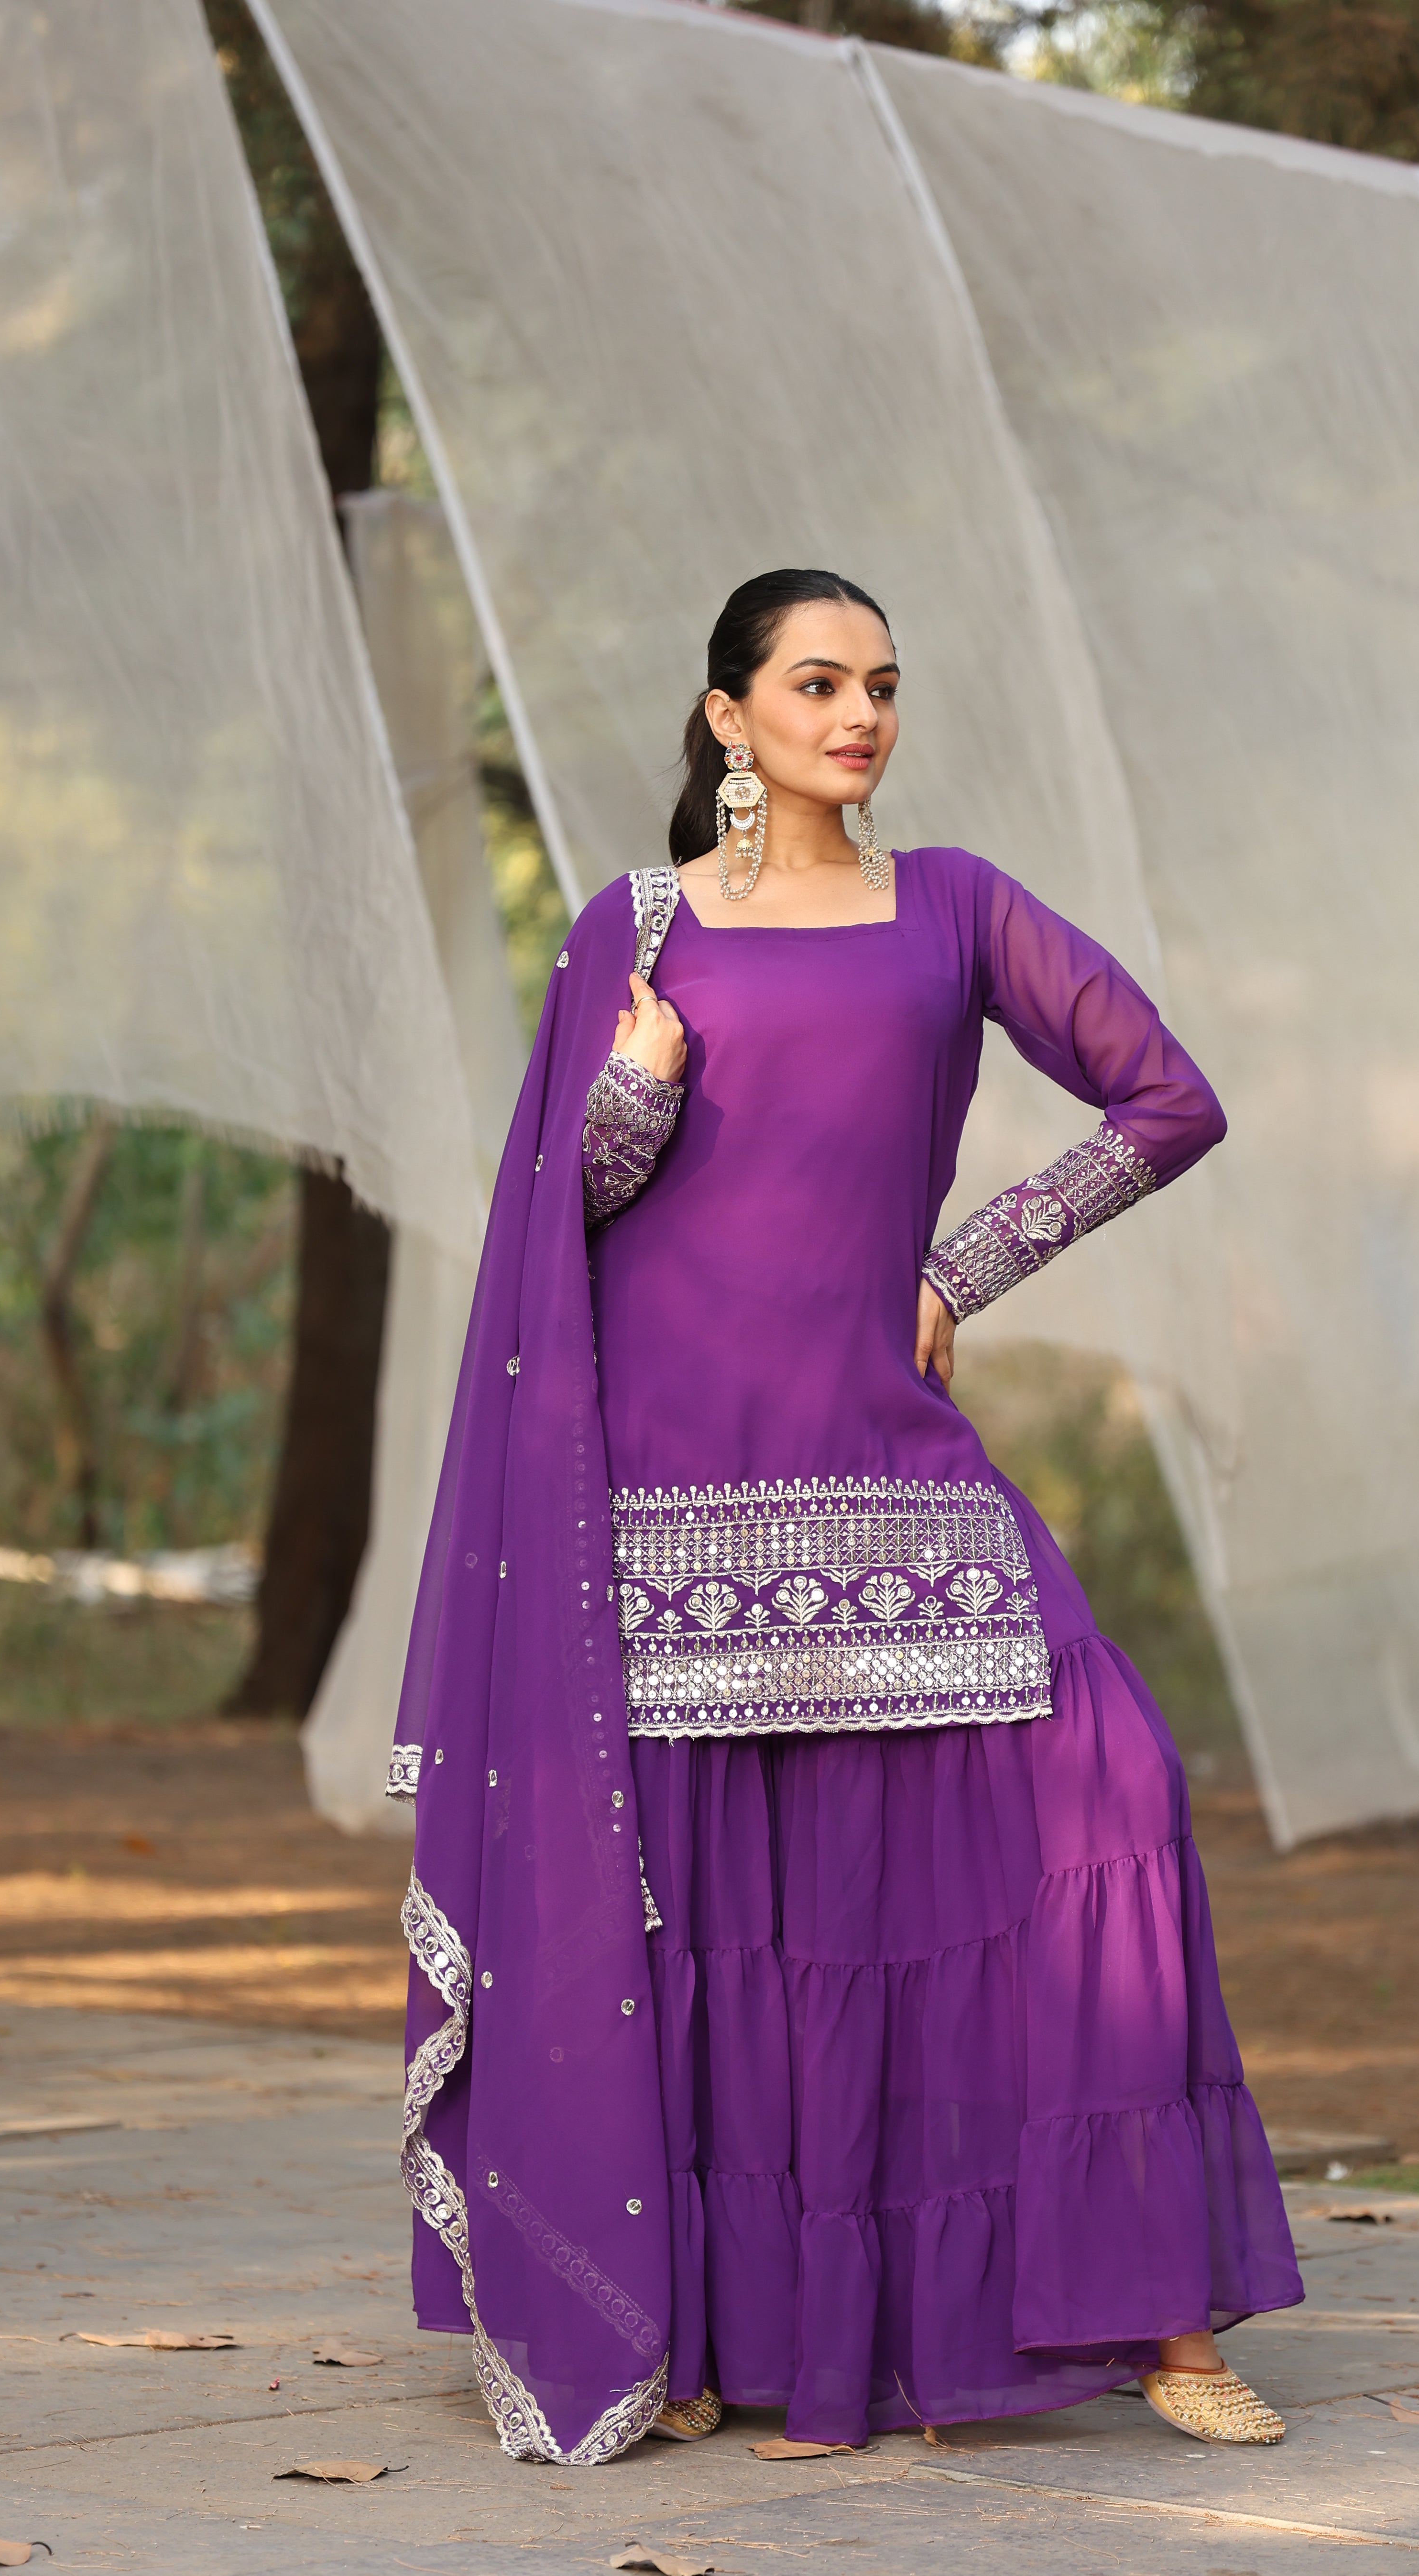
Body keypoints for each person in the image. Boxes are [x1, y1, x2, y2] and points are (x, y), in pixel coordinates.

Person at [390, 569, 1302, 2468]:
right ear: (730, 718)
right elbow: (552, 1241)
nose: (860, 714)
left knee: (1107, 1791)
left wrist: (961, 1268)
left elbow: (1166, 1096)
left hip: (885, 1458)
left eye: (882, 684)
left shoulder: (955, 904)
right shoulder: (632, 937)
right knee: (723, 1917)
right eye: (818, 683)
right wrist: (631, 1093)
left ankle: (1151, 2310)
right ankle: (712, 2324)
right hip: (670, 1486)